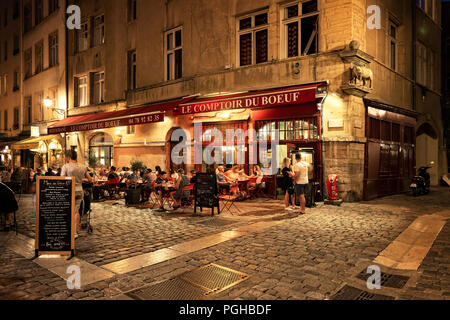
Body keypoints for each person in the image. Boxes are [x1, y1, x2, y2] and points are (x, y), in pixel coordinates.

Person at [61, 150, 93, 237]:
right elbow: (90, 179)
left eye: (66, 157)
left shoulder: (66, 166)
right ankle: (75, 232)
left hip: (69, 190)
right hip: (79, 190)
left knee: (68, 211)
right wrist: (80, 179)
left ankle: (67, 230)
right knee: (76, 211)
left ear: (68, 157)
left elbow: (62, 179)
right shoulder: (83, 167)